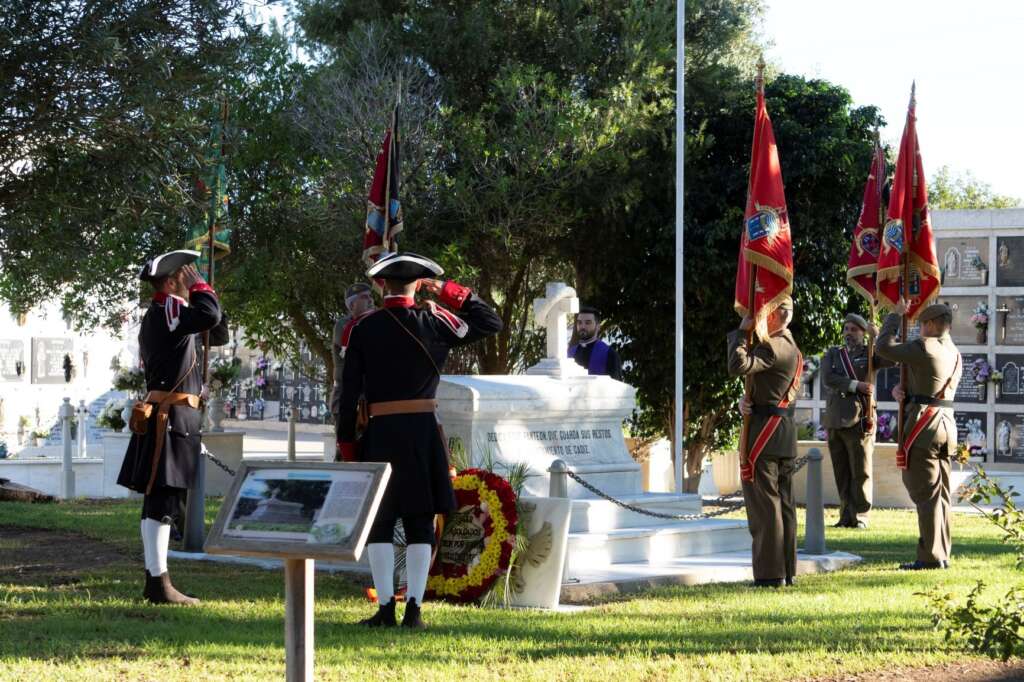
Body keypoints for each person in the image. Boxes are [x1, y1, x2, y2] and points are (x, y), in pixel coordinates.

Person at [337, 252, 502, 629]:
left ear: (381, 285)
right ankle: (414, 608)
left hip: (380, 433)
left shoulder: (363, 328)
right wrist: (448, 292)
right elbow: (490, 321)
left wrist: (348, 444)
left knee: (380, 522)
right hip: (423, 432)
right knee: (419, 521)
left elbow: (348, 395)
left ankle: (384, 610)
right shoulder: (434, 320)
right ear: (419, 284)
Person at [117, 250, 228, 604]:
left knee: (164, 499)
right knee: (161, 499)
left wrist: (208, 293)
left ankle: (157, 579)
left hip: (175, 419)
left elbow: (217, 330)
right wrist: (202, 287)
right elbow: (208, 314)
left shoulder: (172, 313)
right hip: (169, 419)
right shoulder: (170, 309)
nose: (191, 280)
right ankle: (158, 582)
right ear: (169, 282)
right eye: (185, 276)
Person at [877, 299, 962, 570]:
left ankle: (929, 557)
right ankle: (942, 552)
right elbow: (929, 385)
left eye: (924, 323)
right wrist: (906, 393)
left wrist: (894, 315)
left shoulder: (925, 347)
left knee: (925, 494)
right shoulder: (955, 352)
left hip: (924, 427)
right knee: (941, 495)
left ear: (934, 324)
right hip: (946, 426)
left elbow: (883, 348)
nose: (921, 329)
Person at [730, 297, 802, 587]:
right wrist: (746, 403)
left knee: (765, 506)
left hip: (765, 434)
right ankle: (786, 570)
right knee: (784, 504)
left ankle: (770, 574)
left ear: (773, 315)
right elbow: (769, 389)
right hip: (781, 431)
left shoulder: (772, 346)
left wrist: (741, 331)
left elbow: (739, 364)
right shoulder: (793, 347)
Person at [821, 313, 893, 529]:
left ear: (863, 333)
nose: (849, 333)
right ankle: (845, 515)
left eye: (854, 329)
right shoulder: (834, 354)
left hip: (860, 419)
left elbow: (891, 359)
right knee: (841, 471)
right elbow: (828, 378)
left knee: (861, 471)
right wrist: (856, 385)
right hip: (835, 419)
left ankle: (861, 515)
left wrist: (878, 337)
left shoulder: (870, 353)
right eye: (846, 329)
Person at [329, 282, 376, 422]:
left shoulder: (373, 323)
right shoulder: (343, 326)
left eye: (370, 296)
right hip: (347, 399)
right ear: (352, 305)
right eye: (364, 297)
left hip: (368, 399)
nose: (370, 300)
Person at [568, 306, 623, 380]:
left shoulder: (610, 354)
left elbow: (617, 387)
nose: (582, 326)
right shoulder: (569, 353)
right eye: (579, 322)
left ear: (598, 327)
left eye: (588, 323)